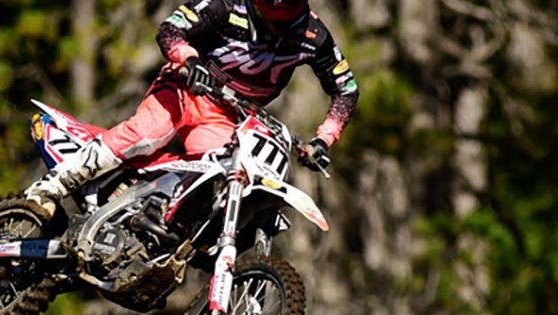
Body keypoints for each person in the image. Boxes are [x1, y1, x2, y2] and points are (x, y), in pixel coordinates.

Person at [24, 0, 359, 220]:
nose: (278, 15)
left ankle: (149, 209)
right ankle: (51, 188)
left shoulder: (313, 35)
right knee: (147, 133)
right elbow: (170, 29)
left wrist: (324, 139)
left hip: (228, 116)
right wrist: (189, 59)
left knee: (221, 176)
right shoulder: (225, 5)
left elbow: (346, 89)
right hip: (184, 87)